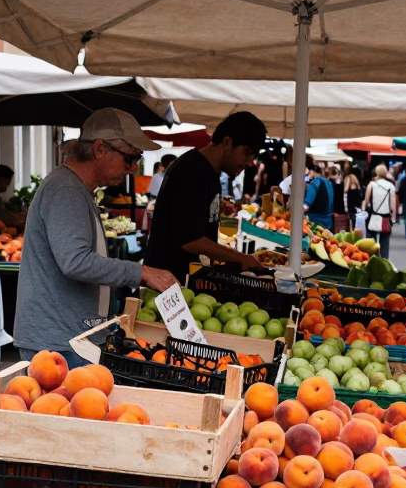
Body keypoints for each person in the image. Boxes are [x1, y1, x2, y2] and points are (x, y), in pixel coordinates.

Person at [14, 109, 176, 365]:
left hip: (68, 339)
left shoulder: (75, 189)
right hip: (59, 345)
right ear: (100, 149)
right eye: (130, 157)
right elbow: (76, 261)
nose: (133, 168)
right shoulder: (65, 190)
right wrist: (142, 273)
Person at [146, 110, 268, 284]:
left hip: (183, 280)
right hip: (167, 281)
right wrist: (242, 258)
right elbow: (190, 240)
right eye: (247, 153)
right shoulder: (192, 171)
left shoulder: (210, 172)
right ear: (227, 142)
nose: (249, 163)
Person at [364, 164, 396, 258]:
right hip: (385, 218)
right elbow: (393, 205)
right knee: (385, 243)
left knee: (371, 243)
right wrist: (393, 217)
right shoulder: (391, 186)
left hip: (373, 216)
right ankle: (384, 263)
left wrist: (364, 210)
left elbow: (366, 202)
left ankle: (372, 261)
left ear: (376, 173)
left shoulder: (371, 185)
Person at [303, 160, 334, 229]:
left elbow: (306, 205)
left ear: (312, 172)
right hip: (328, 223)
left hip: (315, 222)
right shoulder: (329, 183)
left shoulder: (315, 182)